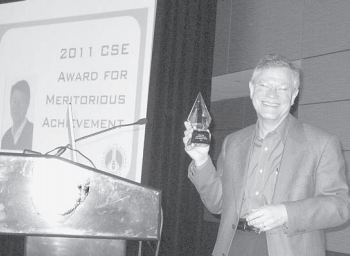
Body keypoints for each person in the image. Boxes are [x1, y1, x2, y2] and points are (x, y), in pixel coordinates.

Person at [183, 54, 350, 256]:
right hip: (234, 246)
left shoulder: (322, 143)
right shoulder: (234, 142)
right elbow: (218, 203)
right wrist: (201, 160)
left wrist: (287, 212)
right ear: (252, 90)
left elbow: (340, 206)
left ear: (294, 94)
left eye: (282, 88)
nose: (272, 95)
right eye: (264, 86)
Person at [1, 80, 33, 151]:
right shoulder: (5, 138)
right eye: (14, 101)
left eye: (22, 101)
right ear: (10, 102)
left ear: (28, 104)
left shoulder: (33, 132)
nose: (17, 106)